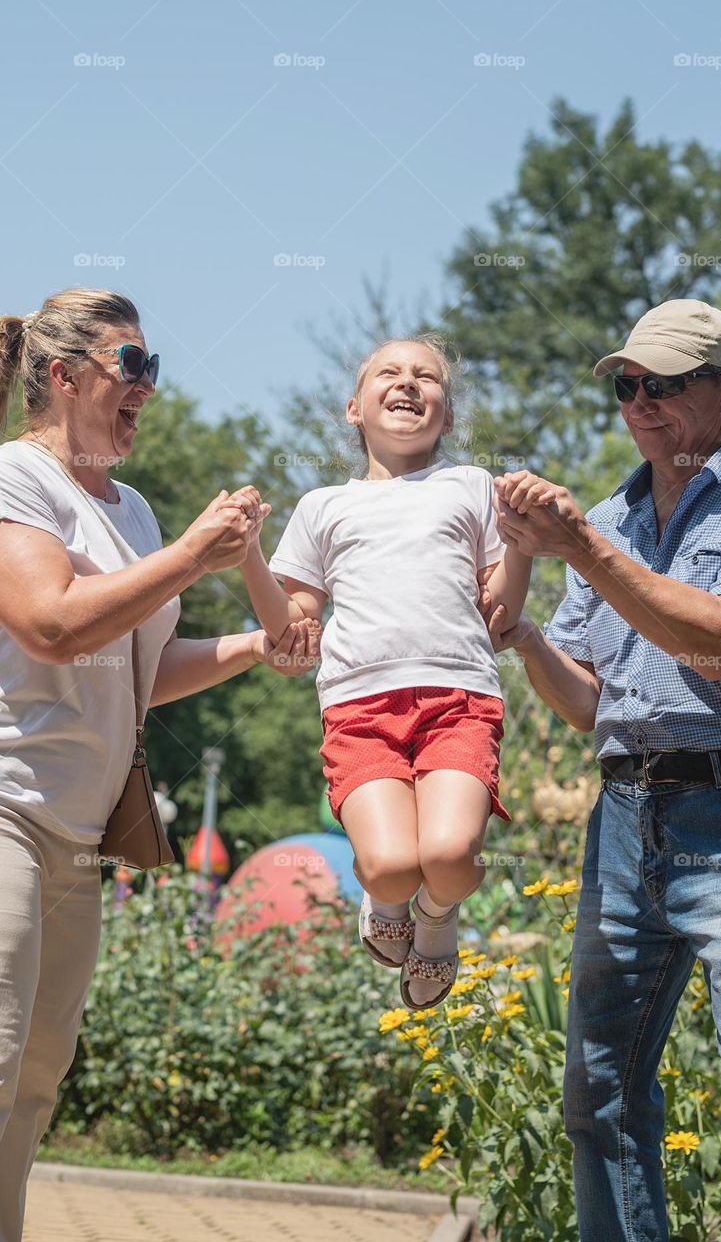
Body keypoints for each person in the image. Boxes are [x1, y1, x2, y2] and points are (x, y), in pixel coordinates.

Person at [0, 287, 319, 1242]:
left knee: (35, 1087)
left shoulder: (131, 509)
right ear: (63, 377)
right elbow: (52, 627)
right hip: (7, 811)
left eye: (152, 369)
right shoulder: (19, 478)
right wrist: (190, 556)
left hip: (78, 836)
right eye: (129, 366)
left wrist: (254, 648)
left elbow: (130, 669)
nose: (148, 385)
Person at [489, 298, 721, 1240]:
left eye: (665, 384)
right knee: (599, 1098)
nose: (641, 401)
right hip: (624, 822)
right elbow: (585, 703)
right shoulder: (612, 514)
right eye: (628, 384)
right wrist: (521, 630)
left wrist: (583, 549)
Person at [240, 334, 530, 1010]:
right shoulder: (323, 507)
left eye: (427, 378)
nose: (408, 384)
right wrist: (248, 555)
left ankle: (437, 919)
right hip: (360, 707)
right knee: (393, 865)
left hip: (459, 697)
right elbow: (293, 627)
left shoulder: (471, 487)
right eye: (389, 374)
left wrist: (520, 545)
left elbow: (502, 611)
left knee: (454, 857)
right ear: (353, 408)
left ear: (448, 418)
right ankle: (390, 895)